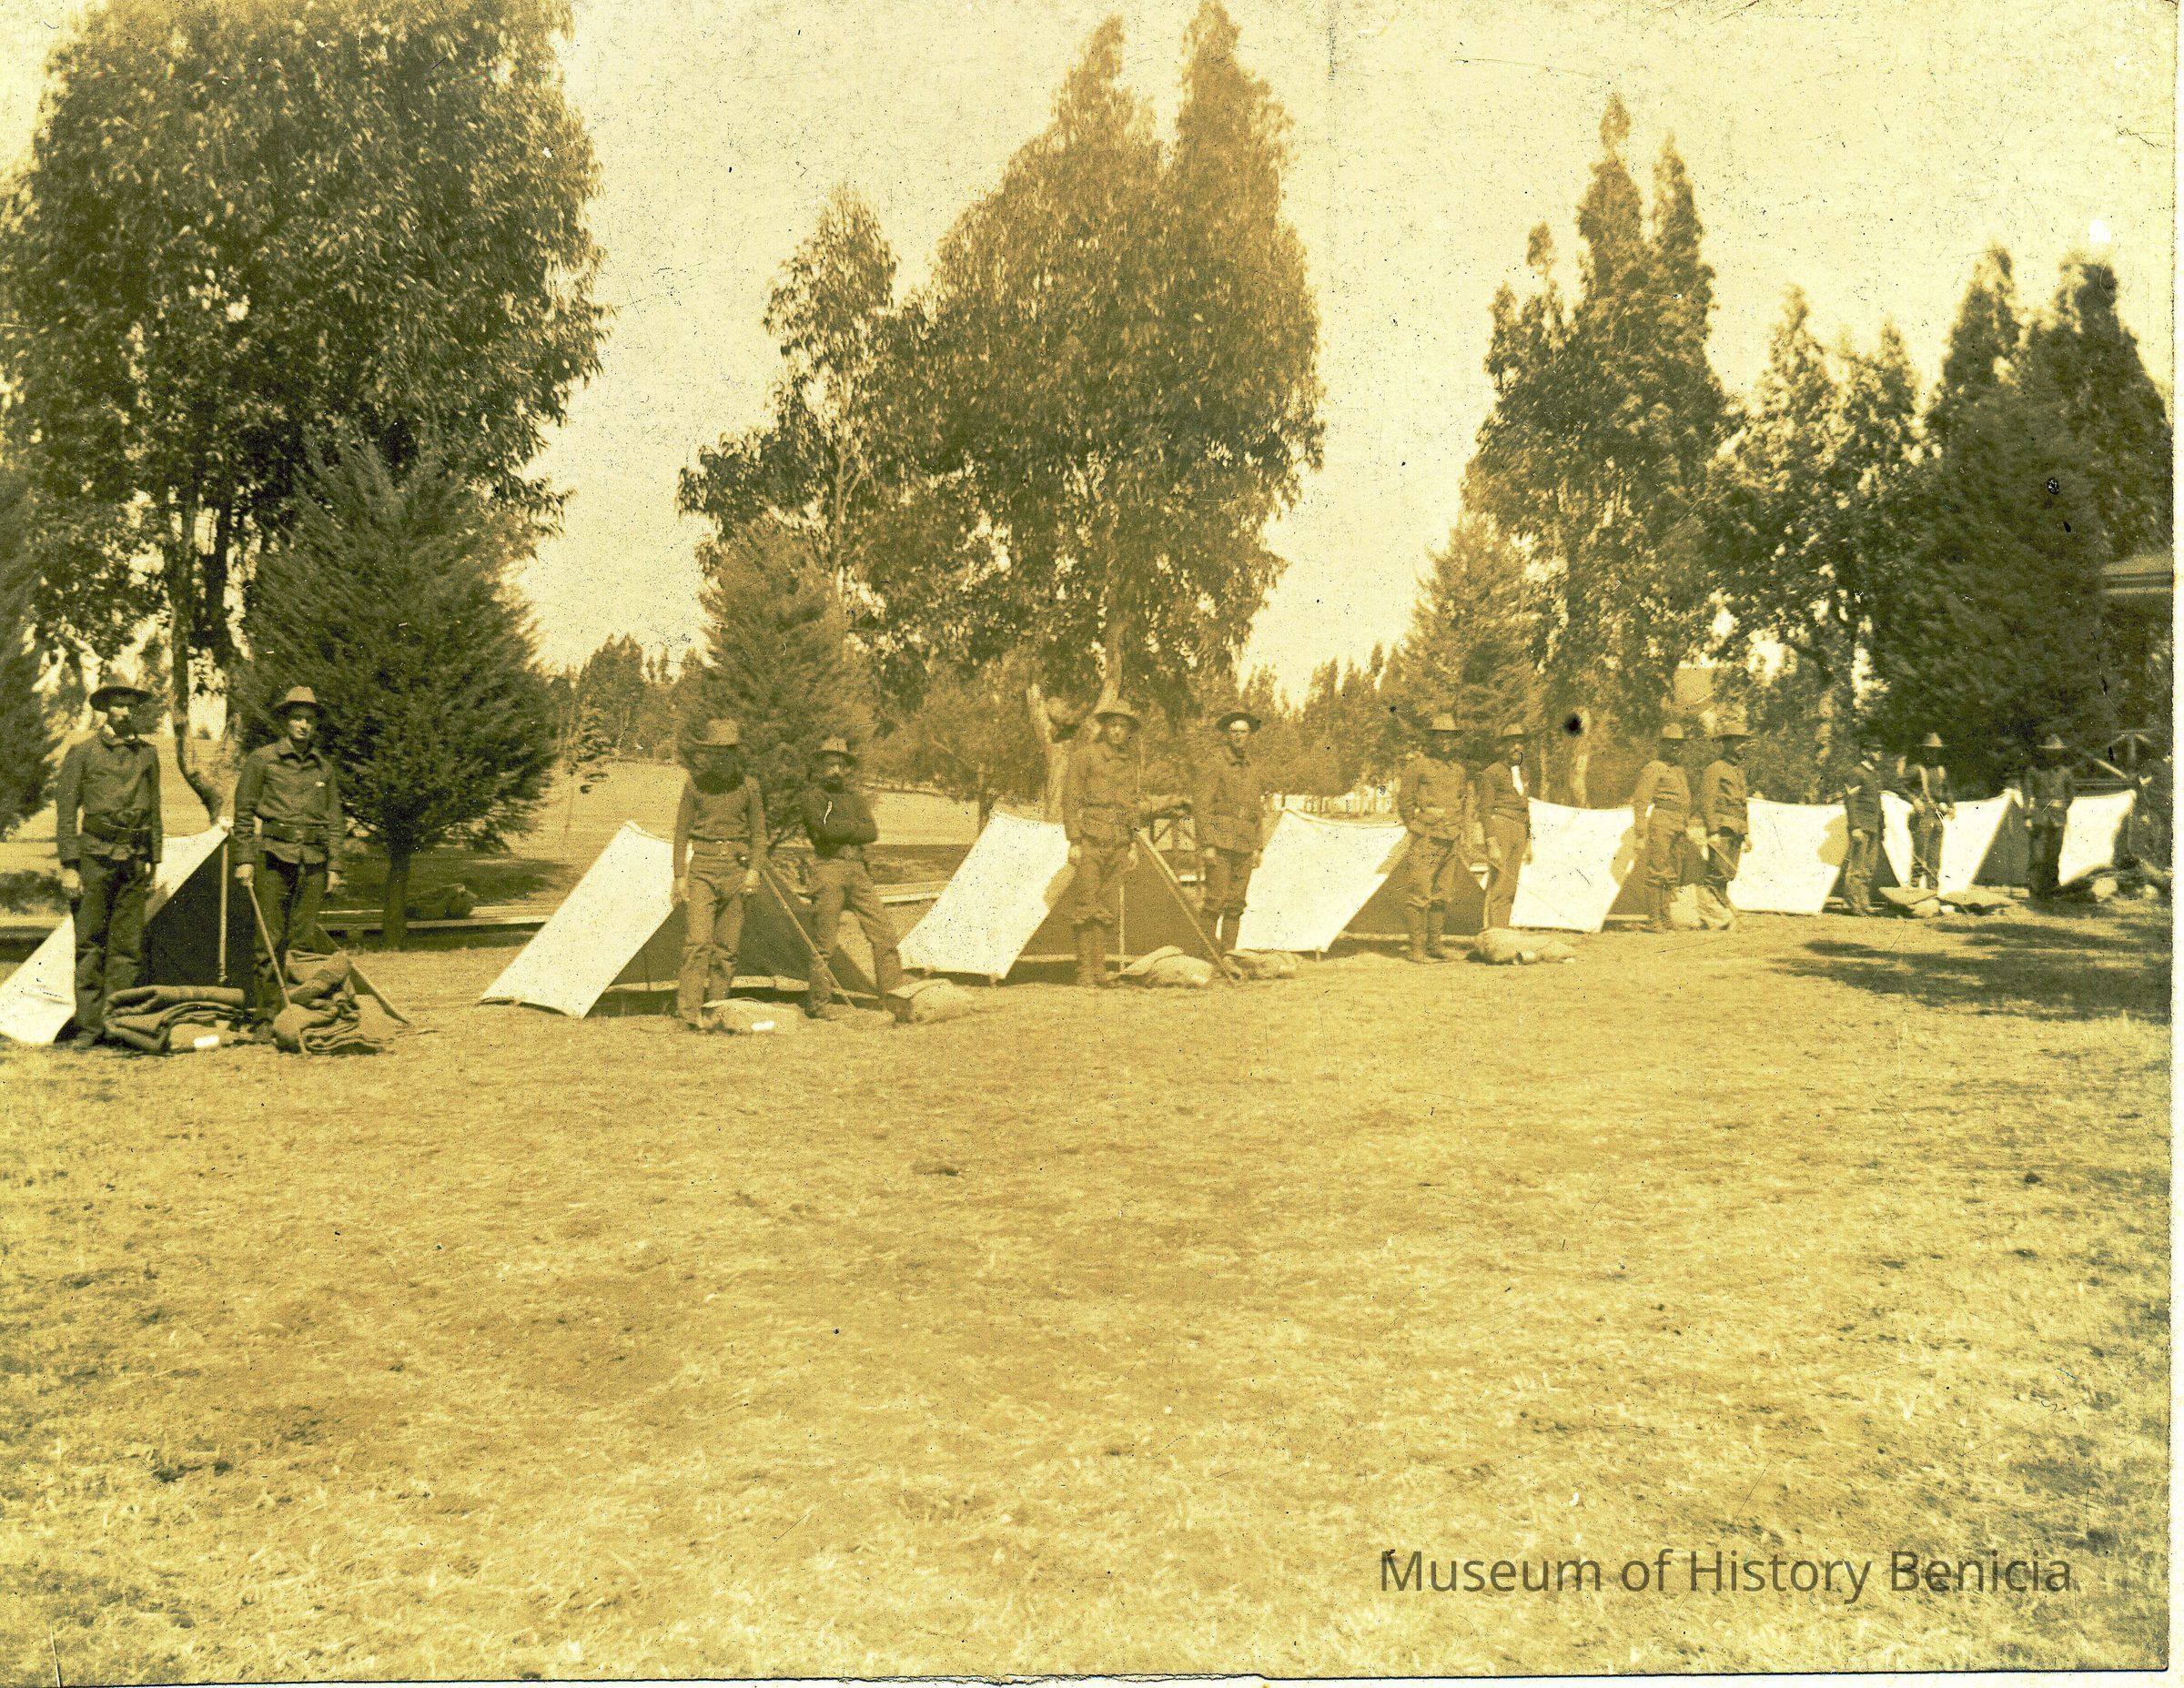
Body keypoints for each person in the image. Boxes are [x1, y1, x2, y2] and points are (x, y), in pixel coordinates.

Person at [54, 669, 162, 1048]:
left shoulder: (148, 754)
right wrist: (70, 865)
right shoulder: (82, 753)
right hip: (94, 858)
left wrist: (154, 858)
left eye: (131, 705)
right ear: (105, 709)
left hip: (134, 859)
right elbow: (66, 813)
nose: (125, 711)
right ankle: (89, 1027)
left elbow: (155, 809)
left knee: (127, 947)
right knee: (90, 944)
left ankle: (119, 1025)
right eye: (118, 704)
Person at [232, 685, 343, 1028]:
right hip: (273, 859)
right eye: (297, 718)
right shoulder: (263, 760)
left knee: (303, 942)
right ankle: (267, 1017)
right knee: (269, 940)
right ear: (286, 721)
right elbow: (243, 812)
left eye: (309, 719)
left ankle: (298, 1015)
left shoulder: (323, 769)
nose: (303, 725)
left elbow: (335, 820)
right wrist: (244, 859)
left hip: (313, 862)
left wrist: (335, 866)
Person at [1062, 700, 1182, 988]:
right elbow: (1070, 799)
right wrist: (1074, 841)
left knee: (1106, 907)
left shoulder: (1130, 764)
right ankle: (1085, 971)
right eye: (1112, 725)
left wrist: (1132, 844)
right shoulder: (1085, 757)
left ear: (1128, 731)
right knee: (1086, 904)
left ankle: (1099, 970)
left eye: (1122, 726)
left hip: (1119, 842)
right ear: (1104, 727)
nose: (1117, 731)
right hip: (1091, 839)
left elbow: (1133, 807)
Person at [797, 736, 904, 1014]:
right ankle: (819, 1004)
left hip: (858, 870)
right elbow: (826, 831)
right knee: (825, 943)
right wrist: (852, 827)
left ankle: (894, 1000)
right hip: (828, 869)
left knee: (884, 935)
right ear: (820, 766)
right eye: (829, 764)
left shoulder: (855, 798)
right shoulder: (813, 797)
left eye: (840, 765)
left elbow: (872, 832)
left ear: (846, 768)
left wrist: (841, 827)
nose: (835, 770)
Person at [672, 719, 766, 1028]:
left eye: (727, 752)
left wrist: (754, 870)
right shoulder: (695, 785)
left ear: (736, 753)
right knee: (698, 943)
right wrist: (679, 875)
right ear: (708, 754)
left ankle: (716, 1011)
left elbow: (759, 834)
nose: (721, 758)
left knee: (727, 948)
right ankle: (688, 1015)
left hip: (737, 871)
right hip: (703, 869)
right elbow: (681, 833)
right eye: (715, 752)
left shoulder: (749, 787)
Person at [1395, 713, 1472, 962]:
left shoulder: (1458, 771)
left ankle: (1435, 945)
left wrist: (1462, 831)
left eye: (1450, 737)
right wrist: (1415, 825)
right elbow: (1405, 801)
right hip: (1427, 840)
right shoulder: (1418, 767)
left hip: (1451, 838)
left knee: (1442, 895)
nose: (1445, 742)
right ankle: (1417, 949)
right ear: (1432, 739)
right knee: (1419, 893)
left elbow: (1463, 801)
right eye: (1440, 737)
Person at [1194, 706, 1267, 955]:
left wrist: (1258, 846)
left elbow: (1257, 809)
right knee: (1215, 900)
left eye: (1243, 732)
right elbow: (1202, 806)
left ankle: (1228, 957)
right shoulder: (1215, 763)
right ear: (1227, 734)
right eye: (1234, 731)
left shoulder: (1252, 767)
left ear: (1250, 735)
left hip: (1245, 844)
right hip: (1220, 843)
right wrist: (1208, 844)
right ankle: (1205, 956)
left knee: (1235, 904)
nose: (1238, 736)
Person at [1630, 723, 1693, 933]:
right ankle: (1654, 919)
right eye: (1671, 744)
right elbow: (1641, 801)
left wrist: (1685, 824)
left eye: (1679, 744)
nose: (1675, 748)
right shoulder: (1654, 767)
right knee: (1657, 870)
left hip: (1678, 825)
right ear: (1662, 745)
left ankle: (1666, 918)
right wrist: (1640, 833)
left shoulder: (1679, 770)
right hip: (1661, 823)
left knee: (1672, 872)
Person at [1476, 723, 1533, 931]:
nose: (1516, 747)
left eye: (1520, 743)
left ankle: (1503, 931)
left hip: (1519, 830)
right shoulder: (1492, 773)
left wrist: (1529, 840)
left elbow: (1526, 807)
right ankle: (1494, 933)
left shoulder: (1524, 773)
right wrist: (1491, 842)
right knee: (1499, 884)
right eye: (1511, 743)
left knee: (1510, 887)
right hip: (1500, 827)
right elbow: (1484, 811)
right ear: (1502, 747)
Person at [1697, 708, 1752, 925]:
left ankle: (1719, 910)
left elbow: (1742, 804)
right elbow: (1707, 802)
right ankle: (1712, 914)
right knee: (1717, 872)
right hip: (1722, 829)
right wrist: (1712, 831)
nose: (1741, 746)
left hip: (1736, 830)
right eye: (1737, 742)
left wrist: (1746, 833)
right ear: (1726, 744)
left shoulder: (1738, 771)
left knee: (1728, 872)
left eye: (1743, 742)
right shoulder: (1715, 769)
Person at [2022, 733, 2075, 901]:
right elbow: (2027, 794)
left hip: (2058, 820)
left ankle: (2051, 892)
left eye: (2057, 752)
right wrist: (2028, 817)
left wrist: (2060, 808)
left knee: (2053, 857)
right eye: (2051, 752)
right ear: (2045, 752)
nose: (2054, 755)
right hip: (2039, 819)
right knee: (2038, 857)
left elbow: (2070, 796)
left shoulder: (2066, 772)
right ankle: (2036, 893)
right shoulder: (2033, 771)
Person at [1839, 735, 1888, 916]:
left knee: (1869, 868)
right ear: (1865, 752)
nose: (1879, 753)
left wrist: (1881, 826)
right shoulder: (1856, 773)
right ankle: (1852, 904)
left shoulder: (1875, 775)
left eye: (1880, 750)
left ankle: (1864, 903)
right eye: (1875, 750)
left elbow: (1877, 804)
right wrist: (1855, 827)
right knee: (1857, 867)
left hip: (1874, 827)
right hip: (1861, 827)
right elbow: (1850, 801)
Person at [1907, 731, 1954, 891]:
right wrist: (1914, 799)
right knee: (1920, 856)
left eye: (1936, 751)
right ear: (1924, 751)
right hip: (1923, 816)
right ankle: (1914, 891)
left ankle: (1932, 893)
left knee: (1935, 858)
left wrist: (1951, 806)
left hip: (1938, 816)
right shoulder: (1916, 769)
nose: (1933, 754)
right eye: (1930, 750)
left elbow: (1947, 791)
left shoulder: (1941, 770)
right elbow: (1898, 785)